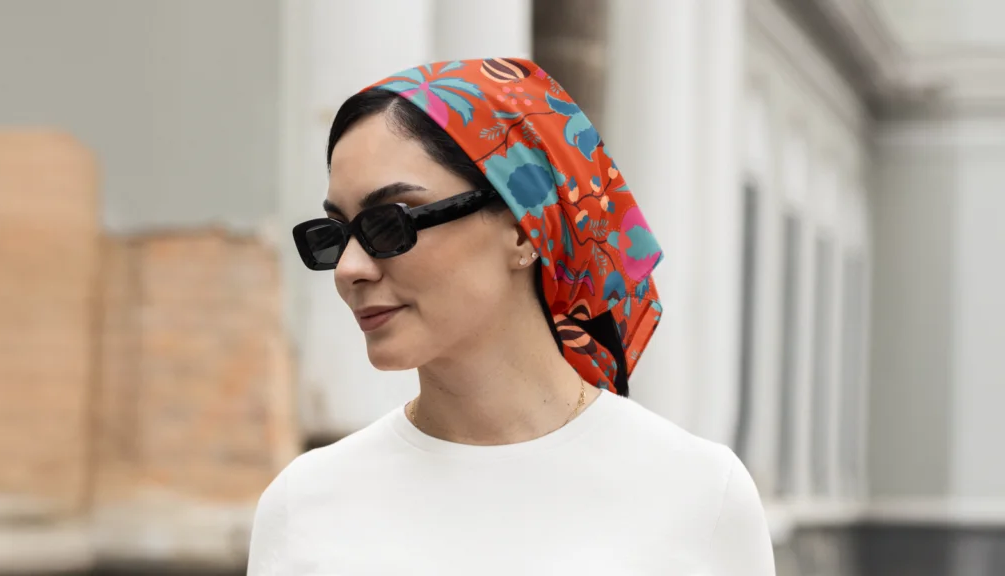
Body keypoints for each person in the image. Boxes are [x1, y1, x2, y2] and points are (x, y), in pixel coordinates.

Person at [248, 57, 775, 575]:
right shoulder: (305, 504)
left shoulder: (700, 496)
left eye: (390, 224)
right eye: (333, 235)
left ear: (525, 228)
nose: (348, 268)